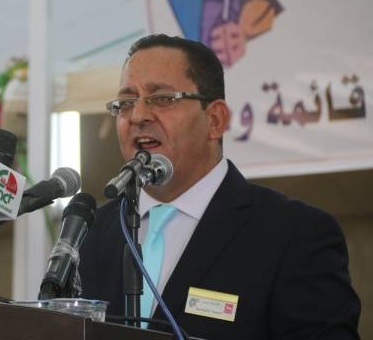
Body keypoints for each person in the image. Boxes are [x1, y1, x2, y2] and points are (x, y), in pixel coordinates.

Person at [78, 34, 361, 339]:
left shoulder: (295, 235)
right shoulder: (90, 232)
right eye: (126, 103)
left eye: (162, 99)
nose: (138, 115)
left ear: (215, 119)